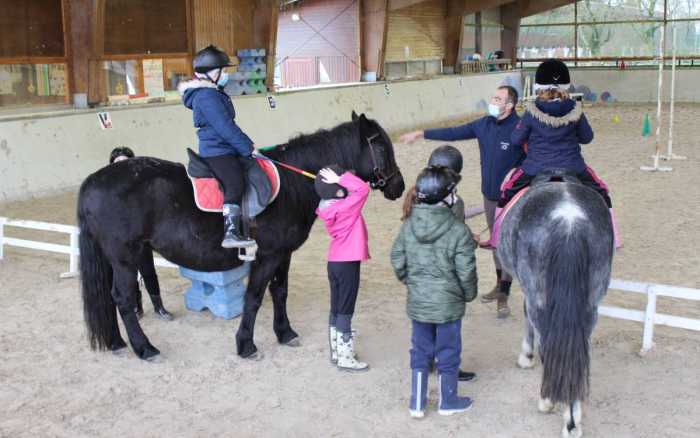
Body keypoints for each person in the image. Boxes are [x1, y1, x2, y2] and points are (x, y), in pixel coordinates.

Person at [400, 85, 525, 318]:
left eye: (498, 98)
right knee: (497, 245)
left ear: (509, 105)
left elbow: (532, 159)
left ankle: (504, 294)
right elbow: (454, 132)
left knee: (506, 246)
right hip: (489, 196)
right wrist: (422, 134)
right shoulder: (484, 125)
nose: (493, 101)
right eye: (493, 97)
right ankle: (500, 286)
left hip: (511, 199)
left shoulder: (520, 129)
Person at [498, 59, 620, 248]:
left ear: (539, 85)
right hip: (573, 166)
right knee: (602, 191)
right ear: (565, 84)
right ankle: (614, 238)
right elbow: (587, 137)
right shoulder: (574, 109)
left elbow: (515, 140)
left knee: (507, 191)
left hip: (535, 167)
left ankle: (497, 238)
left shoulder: (532, 111)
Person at [391, 166, 478, 418]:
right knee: (448, 350)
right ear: (446, 196)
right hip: (448, 304)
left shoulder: (408, 226)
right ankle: (447, 400)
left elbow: (397, 257)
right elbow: (466, 271)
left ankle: (417, 402)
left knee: (420, 349)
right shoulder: (458, 230)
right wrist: (468, 294)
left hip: (419, 302)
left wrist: (410, 281)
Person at [178, 45, 256, 249]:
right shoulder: (207, 96)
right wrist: (248, 147)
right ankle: (230, 232)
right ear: (212, 73)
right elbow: (224, 127)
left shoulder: (211, 92)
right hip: (218, 151)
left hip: (222, 147)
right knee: (235, 183)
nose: (226, 75)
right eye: (223, 70)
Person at [315, 165, 371, 372]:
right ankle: (346, 358)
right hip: (347, 263)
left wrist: (338, 181)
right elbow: (363, 190)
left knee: (336, 307)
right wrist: (341, 177)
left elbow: (356, 190)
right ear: (339, 190)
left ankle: (337, 353)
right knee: (346, 309)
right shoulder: (346, 206)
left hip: (335, 261)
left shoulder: (328, 206)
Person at [108, 147, 174, 321]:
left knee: (148, 272)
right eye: (118, 163)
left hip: (142, 236)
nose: (122, 166)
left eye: (125, 161)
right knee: (130, 274)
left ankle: (159, 307)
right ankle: (137, 306)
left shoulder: (142, 184)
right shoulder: (109, 188)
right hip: (123, 237)